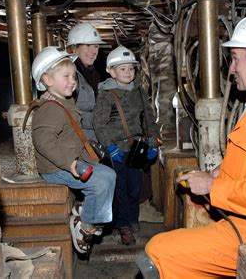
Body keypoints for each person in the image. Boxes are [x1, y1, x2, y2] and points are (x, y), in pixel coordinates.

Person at [136, 13, 246, 278]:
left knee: (159, 251)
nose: (232, 68)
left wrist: (211, 186)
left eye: (236, 58)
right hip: (242, 219)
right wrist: (218, 173)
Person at [31, 46, 116, 255]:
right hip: (56, 168)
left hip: (71, 160)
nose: (73, 81)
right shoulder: (50, 108)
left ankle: (87, 212)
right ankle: (85, 225)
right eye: (66, 76)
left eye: (74, 76)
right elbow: (43, 141)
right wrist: (69, 163)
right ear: (47, 80)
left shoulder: (63, 101)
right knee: (101, 181)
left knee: (110, 175)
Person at [93, 46, 160, 246]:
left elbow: (148, 117)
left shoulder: (138, 90)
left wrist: (153, 141)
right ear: (111, 72)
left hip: (136, 147)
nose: (128, 73)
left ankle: (132, 218)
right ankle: (123, 225)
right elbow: (99, 123)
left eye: (131, 68)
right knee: (120, 189)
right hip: (118, 150)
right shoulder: (106, 93)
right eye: (122, 69)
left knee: (135, 187)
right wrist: (109, 146)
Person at [67, 22, 107, 141]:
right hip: (78, 142)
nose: (93, 51)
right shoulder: (70, 75)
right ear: (75, 48)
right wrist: (104, 119)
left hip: (95, 140)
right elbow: (67, 114)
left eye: (96, 46)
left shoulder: (95, 75)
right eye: (88, 45)